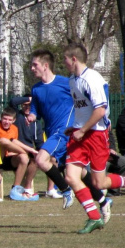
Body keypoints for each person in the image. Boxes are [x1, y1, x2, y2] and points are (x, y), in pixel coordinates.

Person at [62, 43, 125, 234]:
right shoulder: (73, 80)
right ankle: (94, 218)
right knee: (71, 177)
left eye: (65, 59)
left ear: (74, 58)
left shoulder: (92, 79)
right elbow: (83, 109)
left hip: (96, 135)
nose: (64, 63)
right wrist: (75, 127)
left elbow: (100, 110)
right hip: (80, 134)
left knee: (99, 183)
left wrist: (82, 130)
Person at [28, 49, 111, 218]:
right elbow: (35, 111)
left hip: (64, 131)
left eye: (34, 64)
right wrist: (31, 115)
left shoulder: (66, 82)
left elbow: (87, 97)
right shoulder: (36, 89)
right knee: (78, 173)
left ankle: (65, 190)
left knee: (41, 159)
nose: (32, 68)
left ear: (45, 66)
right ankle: (102, 200)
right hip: (56, 132)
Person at [0, 107, 39, 200]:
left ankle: (17, 189)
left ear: (14, 120)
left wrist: (31, 151)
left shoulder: (14, 129)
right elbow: (7, 141)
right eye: (4, 119)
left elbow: (14, 142)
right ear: (1, 118)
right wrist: (28, 151)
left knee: (25, 158)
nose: (6, 122)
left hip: (9, 157)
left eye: (9, 120)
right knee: (4, 141)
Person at [9, 95, 45, 196]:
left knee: (39, 158)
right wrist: (29, 99)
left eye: (30, 105)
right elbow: (13, 101)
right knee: (23, 157)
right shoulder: (17, 116)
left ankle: (28, 188)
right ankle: (15, 190)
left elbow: (39, 142)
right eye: (25, 105)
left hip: (29, 152)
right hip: (15, 152)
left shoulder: (36, 121)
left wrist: (43, 152)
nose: (27, 107)